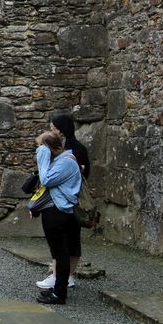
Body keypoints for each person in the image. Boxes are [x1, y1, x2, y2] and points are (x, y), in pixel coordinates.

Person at [36, 113, 91, 291]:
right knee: (66, 244)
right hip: (64, 202)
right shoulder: (69, 149)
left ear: (60, 129)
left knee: (66, 244)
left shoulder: (72, 151)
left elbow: (50, 179)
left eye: (53, 128)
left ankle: (61, 279)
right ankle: (61, 278)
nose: (51, 130)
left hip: (68, 203)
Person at [33, 130, 82, 305]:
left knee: (61, 253)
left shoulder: (65, 163)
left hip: (59, 212)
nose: (38, 150)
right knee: (58, 252)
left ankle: (59, 293)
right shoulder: (61, 161)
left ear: (48, 148)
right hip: (55, 210)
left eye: (40, 147)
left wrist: (42, 155)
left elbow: (45, 180)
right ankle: (57, 289)